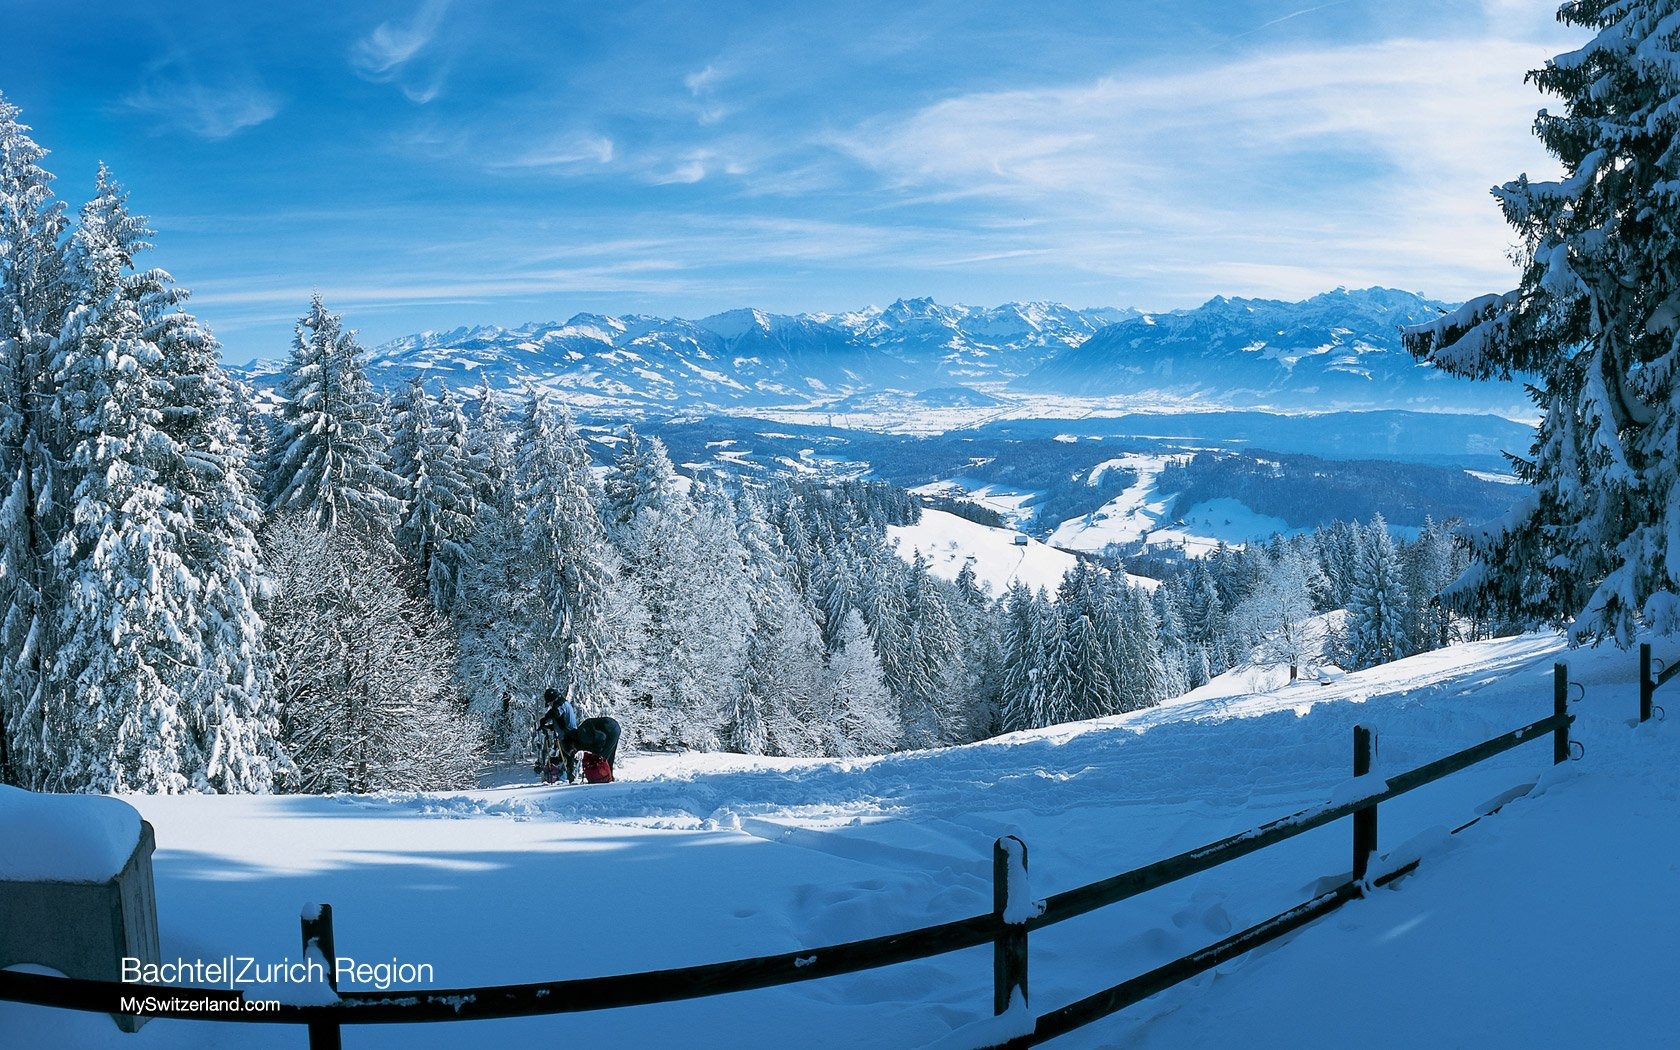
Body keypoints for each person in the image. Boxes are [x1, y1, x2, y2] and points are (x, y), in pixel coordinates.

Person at [532, 688, 579, 773]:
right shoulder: (562, 704)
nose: (549, 705)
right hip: (566, 735)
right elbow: (560, 722)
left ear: (553, 699)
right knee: (563, 758)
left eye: (549, 703)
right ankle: (565, 775)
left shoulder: (560, 704)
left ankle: (570, 775)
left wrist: (545, 719)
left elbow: (555, 713)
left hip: (569, 736)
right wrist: (548, 727)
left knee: (569, 757)